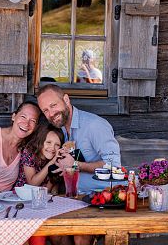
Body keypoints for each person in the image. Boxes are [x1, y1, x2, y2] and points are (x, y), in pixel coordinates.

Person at [37, 84, 122, 245]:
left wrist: (76, 165)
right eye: (45, 110)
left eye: (53, 105)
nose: (51, 113)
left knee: (80, 236)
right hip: (76, 198)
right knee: (55, 233)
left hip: (104, 197)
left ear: (66, 99)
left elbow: (115, 167)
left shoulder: (94, 125)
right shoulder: (61, 129)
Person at [14, 123, 64, 193]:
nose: (52, 148)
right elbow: (32, 183)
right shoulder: (29, 153)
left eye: (57, 145)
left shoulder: (56, 159)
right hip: (22, 197)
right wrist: (51, 163)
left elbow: (48, 190)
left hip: (42, 197)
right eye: (48, 142)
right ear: (40, 141)